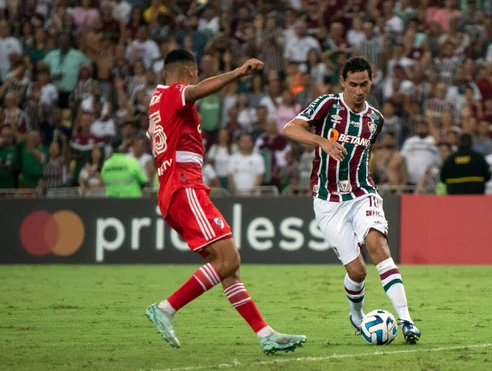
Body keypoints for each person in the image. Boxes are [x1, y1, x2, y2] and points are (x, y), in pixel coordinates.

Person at [145, 49, 305, 353]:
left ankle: (264, 333)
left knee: (228, 268)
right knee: (229, 259)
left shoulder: (156, 100)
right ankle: (166, 308)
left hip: (175, 188)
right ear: (190, 72)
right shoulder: (174, 93)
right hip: (184, 185)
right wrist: (237, 73)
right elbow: (197, 91)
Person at [283, 57, 421, 344]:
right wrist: (322, 142)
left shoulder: (375, 119)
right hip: (328, 200)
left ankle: (407, 320)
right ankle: (356, 315)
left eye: (365, 84)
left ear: (372, 81)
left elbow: (363, 154)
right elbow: (290, 129)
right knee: (357, 271)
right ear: (343, 82)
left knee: (377, 245)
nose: (359, 90)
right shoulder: (327, 105)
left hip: (362, 193)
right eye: (353, 85)